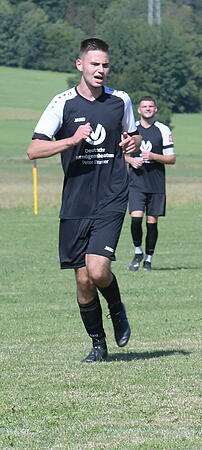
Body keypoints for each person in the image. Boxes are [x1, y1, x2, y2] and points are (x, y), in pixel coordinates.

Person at [27, 38, 139, 362]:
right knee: (82, 279)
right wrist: (71, 140)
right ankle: (98, 344)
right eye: (95, 64)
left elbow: (132, 135)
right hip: (76, 201)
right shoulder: (63, 103)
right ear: (80, 65)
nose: (101, 70)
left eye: (105, 65)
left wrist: (132, 143)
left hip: (112, 195)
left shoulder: (121, 101)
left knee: (98, 269)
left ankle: (116, 309)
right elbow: (34, 149)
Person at [125, 96, 176, 271]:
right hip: (136, 183)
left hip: (155, 183)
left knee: (151, 222)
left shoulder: (162, 130)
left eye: (150, 106)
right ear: (138, 110)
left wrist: (153, 156)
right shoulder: (131, 130)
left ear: (155, 109)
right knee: (136, 219)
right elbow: (117, 154)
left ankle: (148, 259)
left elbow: (171, 158)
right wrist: (130, 160)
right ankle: (138, 251)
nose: (147, 109)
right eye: (144, 106)